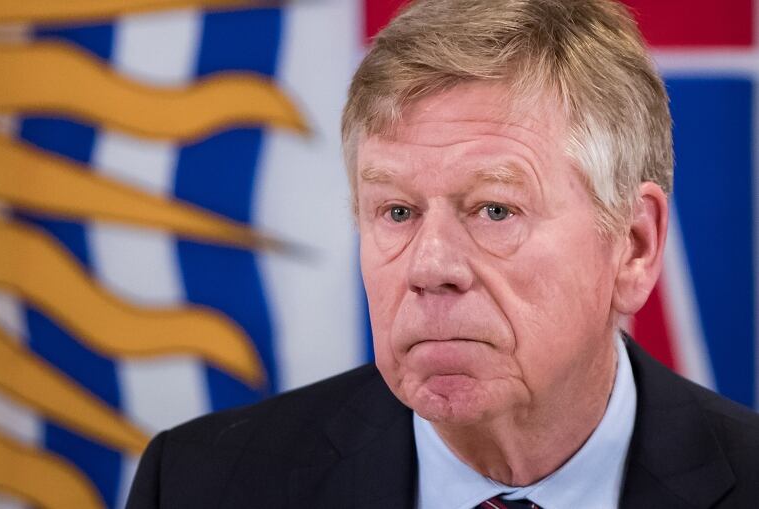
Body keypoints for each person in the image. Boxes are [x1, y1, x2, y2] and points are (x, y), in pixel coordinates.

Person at [126, 0, 759, 507]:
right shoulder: (200, 485)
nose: (430, 268)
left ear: (633, 245)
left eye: (494, 210)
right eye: (397, 212)